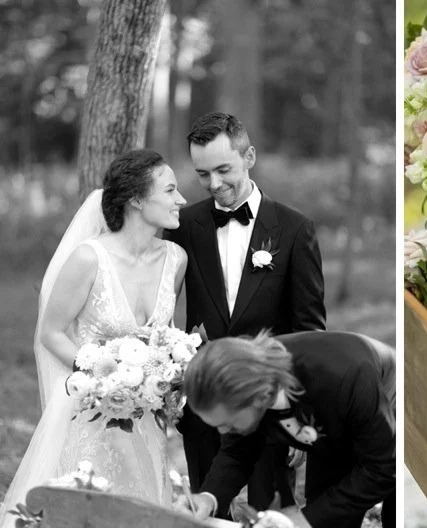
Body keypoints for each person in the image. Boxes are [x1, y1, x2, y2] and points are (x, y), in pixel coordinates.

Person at [0, 149, 188, 525]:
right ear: (137, 199)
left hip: (146, 416)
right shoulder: (90, 258)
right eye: (169, 190)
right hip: (89, 412)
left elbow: (162, 339)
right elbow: (50, 332)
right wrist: (100, 378)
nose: (181, 199)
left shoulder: (176, 258)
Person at [163, 112, 326, 513]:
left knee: (270, 510)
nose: (214, 184)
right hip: (204, 399)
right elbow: (161, 305)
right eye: (203, 174)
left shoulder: (294, 229)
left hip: (269, 400)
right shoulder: (183, 224)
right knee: (205, 506)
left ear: (249, 156)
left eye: (223, 169)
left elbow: (309, 330)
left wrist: (299, 414)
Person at [174, 331, 396, 528]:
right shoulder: (249, 385)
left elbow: (382, 470)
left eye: (228, 424)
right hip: (329, 436)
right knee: (328, 512)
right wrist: (207, 497)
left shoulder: (348, 376)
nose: (223, 432)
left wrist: (302, 520)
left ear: (259, 397)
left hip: (391, 406)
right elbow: (237, 452)